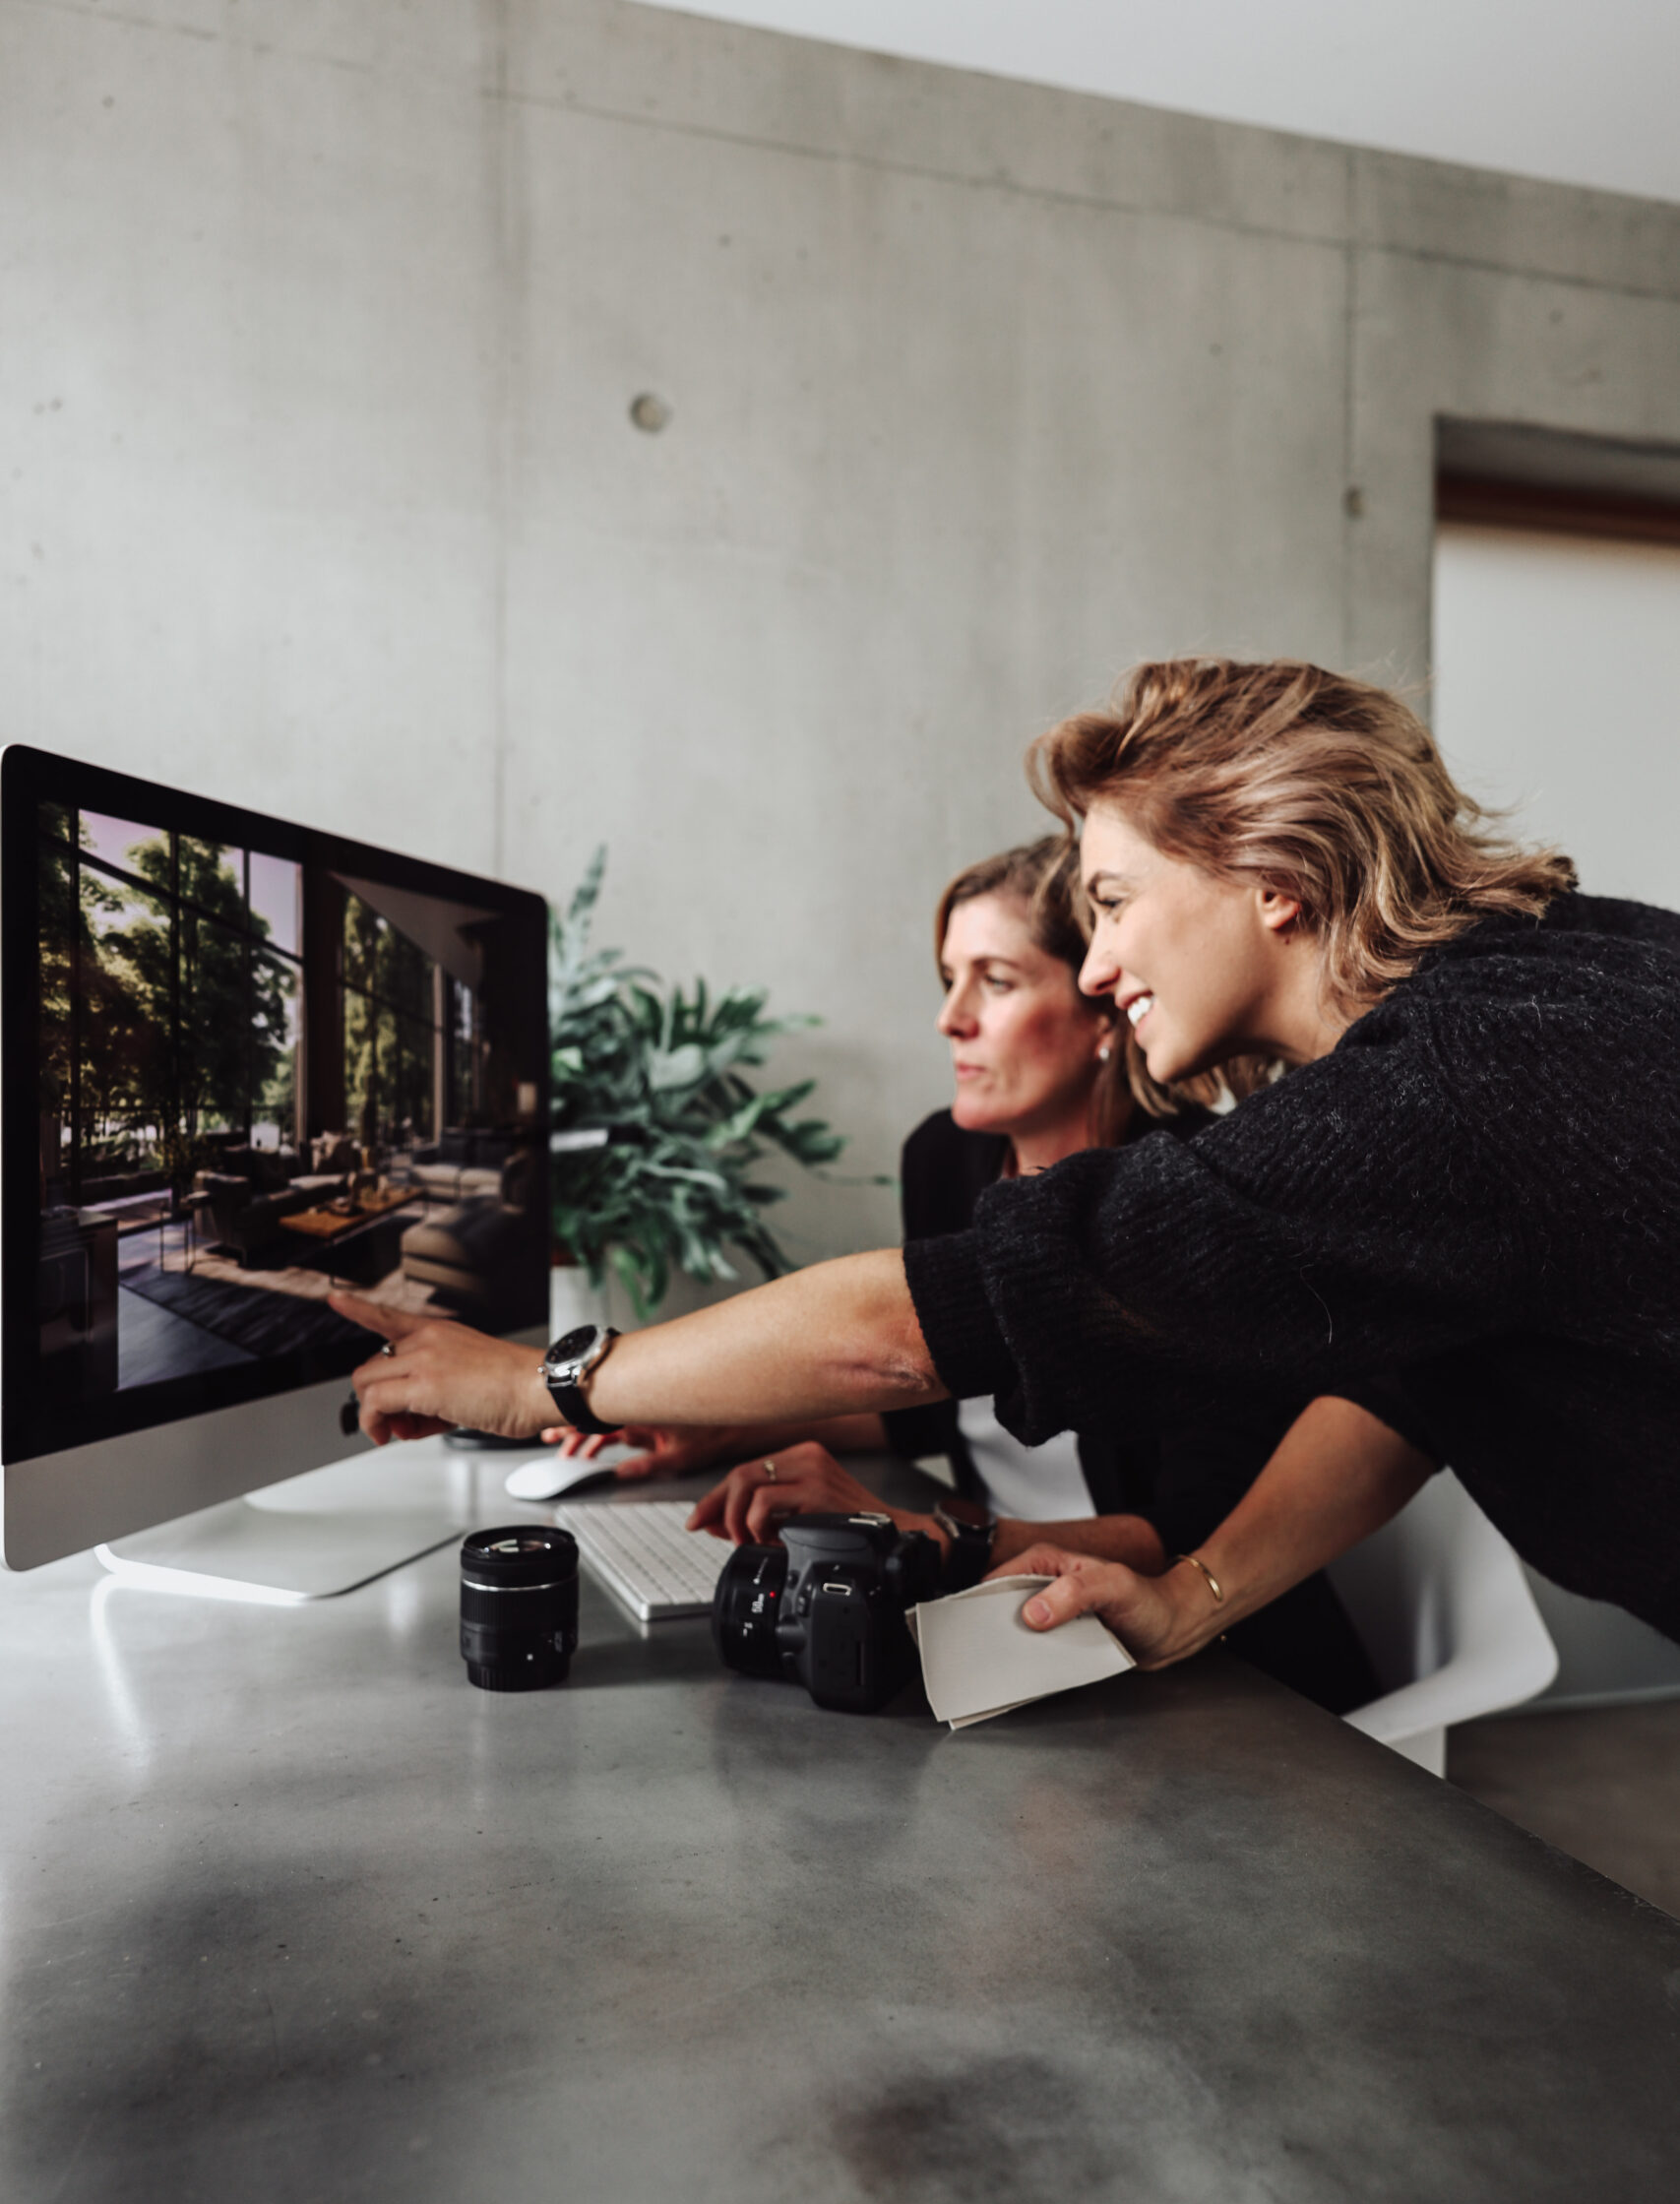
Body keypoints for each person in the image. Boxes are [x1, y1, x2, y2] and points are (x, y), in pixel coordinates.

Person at [336, 657, 1680, 1673]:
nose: (1098, 968)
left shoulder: (1441, 1081)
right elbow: (1406, 1388)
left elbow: (906, 1330)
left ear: (1272, 874)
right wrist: (1191, 1595)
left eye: (1109, 904)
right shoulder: (1537, 984)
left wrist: (535, 1382)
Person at [549, 835, 1375, 1709]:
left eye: (998, 980)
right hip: (1010, 1627)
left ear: (1103, 1000)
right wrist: (720, 1430)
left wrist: (931, 1537)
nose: (952, 1018)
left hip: (1217, 1667)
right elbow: (946, 1393)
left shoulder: (1199, 1194)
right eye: (949, 979)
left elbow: (1189, 1526)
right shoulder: (947, 1158)